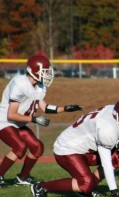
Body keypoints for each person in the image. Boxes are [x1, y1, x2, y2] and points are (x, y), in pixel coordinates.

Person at [30, 99, 119, 197]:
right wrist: (114, 191)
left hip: (83, 148)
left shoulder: (113, 110)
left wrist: (117, 142)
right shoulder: (107, 129)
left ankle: (86, 191)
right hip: (67, 149)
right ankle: (41, 187)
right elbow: (106, 163)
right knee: (85, 184)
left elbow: (97, 130)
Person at [0, 54, 83, 188]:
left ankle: (23, 177)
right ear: (34, 70)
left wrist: (66, 108)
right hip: (4, 122)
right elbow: (11, 115)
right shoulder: (20, 83)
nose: (48, 74)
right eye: (45, 71)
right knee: (20, 147)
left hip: (18, 123)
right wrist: (33, 119)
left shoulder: (39, 87)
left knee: (37, 147)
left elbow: (44, 107)